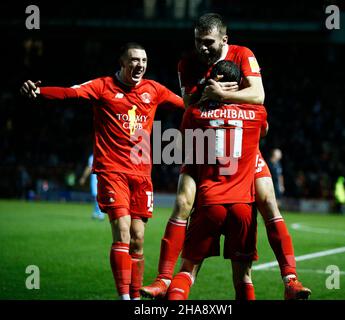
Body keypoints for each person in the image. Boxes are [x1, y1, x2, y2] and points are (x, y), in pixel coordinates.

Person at [140, 13, 311, 300]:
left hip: (238, 146)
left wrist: (220, 94)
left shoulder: (243, 54)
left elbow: (259, 94)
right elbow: (189, 103)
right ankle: (162, 280)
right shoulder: (187, 62)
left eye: (208, 43)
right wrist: (222, 96)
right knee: (182, 202)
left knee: (269, 201)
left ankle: (290, 279)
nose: (202, 48)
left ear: (224, 40)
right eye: (198, 42)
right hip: (204, 144)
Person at [20, 42, 184, 300]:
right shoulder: (103, 86)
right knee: (122, 231)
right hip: (112, 170)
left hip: (142, 174)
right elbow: (69, 93)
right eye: (134, 60)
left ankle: (136, 298)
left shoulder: (154, 90)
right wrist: (38, 91)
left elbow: (187, 104)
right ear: (122, 62)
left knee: (138, 239)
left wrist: (222, 101)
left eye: (143, 60)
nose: (139, 65)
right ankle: (124, 298)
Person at [166, 60, 266, 300]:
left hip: (210, 201)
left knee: (188, 271)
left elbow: (182, 145)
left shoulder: (195, 113)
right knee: (243, 278)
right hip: (243, 205)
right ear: (240, 83)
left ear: (215, 81)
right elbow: (263, 131)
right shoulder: (258, 113)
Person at [79, 153, 104, 220]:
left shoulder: (104, 154)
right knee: (95, 196)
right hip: (94, 178)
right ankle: (96, 212)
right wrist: (84, 177)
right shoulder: (92, 157)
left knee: (98, 196)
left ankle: (100, 213)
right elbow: (89, 167)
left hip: (102, 177)